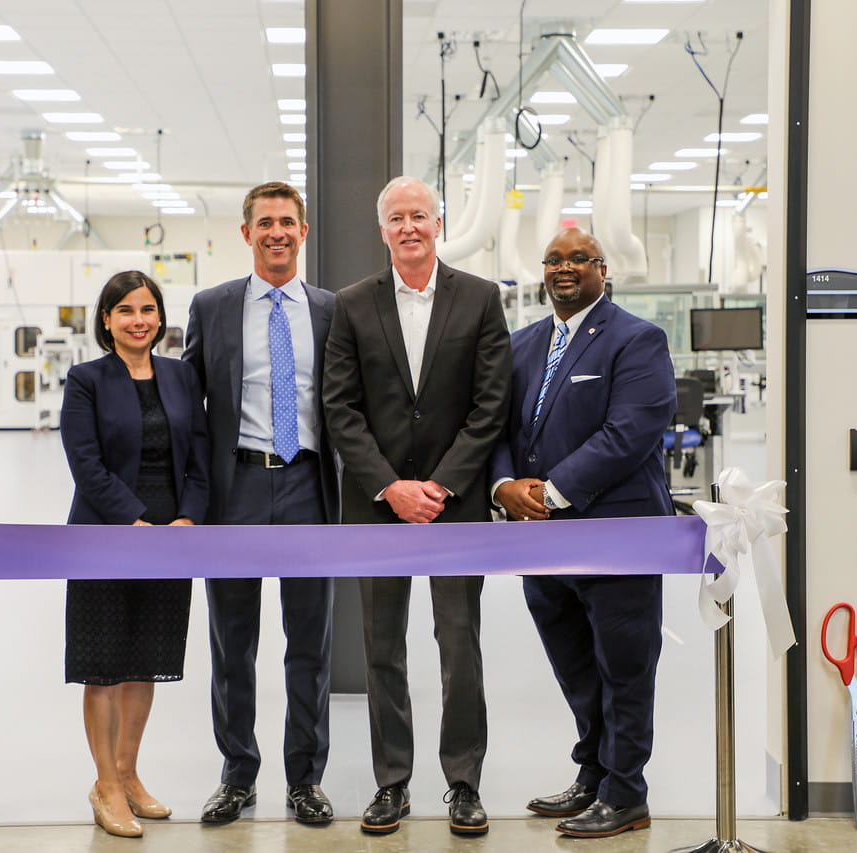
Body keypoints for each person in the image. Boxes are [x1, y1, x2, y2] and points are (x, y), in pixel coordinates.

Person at [322, 176, 512, 837]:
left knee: (458, 642)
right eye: (396, 217)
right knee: (381, 648)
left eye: (419, 216)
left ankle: (463, 783)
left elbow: (492, 404)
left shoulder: (480, 300)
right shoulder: (350, 305)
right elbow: (339, 407)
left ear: (439, 223)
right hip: (377, 506)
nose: (408, 226)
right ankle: (391, 783)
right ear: (382, 230)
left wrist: (441, 484)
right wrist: (389, 486)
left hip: (452, 507)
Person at [489, 227, 676, 839]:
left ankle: (627, 794)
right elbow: (496, 430)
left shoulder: (637, 339)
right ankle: (594, 775)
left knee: (624, 669)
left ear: (603, 270)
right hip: (542, 545)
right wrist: (504, 486)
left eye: (579, 259)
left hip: (617, 537)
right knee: (576, 668)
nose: (565, 269)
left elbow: (632, 431)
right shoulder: (522, 345)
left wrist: (551, 491)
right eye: (555, 260)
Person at [182, 182, 338, 825]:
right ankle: (237, 774)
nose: (277, 232)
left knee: (310, 641)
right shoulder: (212, 306)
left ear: (304, 232)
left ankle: (305, 777)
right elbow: (189, 407)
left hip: (308, 483)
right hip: (237, 487)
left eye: (288, 222)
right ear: (246, 234)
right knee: (232, 640)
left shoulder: (333, 310)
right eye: (264, 222)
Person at [60, 270, 210, 839]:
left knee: (144, 661)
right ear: (106, 320)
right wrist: (134, 519)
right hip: (105, 535)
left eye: (147, 310)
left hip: (170, 537)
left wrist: (186, 518)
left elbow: (199, 454)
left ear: (159, 317)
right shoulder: (86, 380)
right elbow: (85, 464)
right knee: (103, 667)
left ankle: (127, 772)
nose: (138, 320)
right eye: (125, 311)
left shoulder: (180, 376)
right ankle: (104, 785)